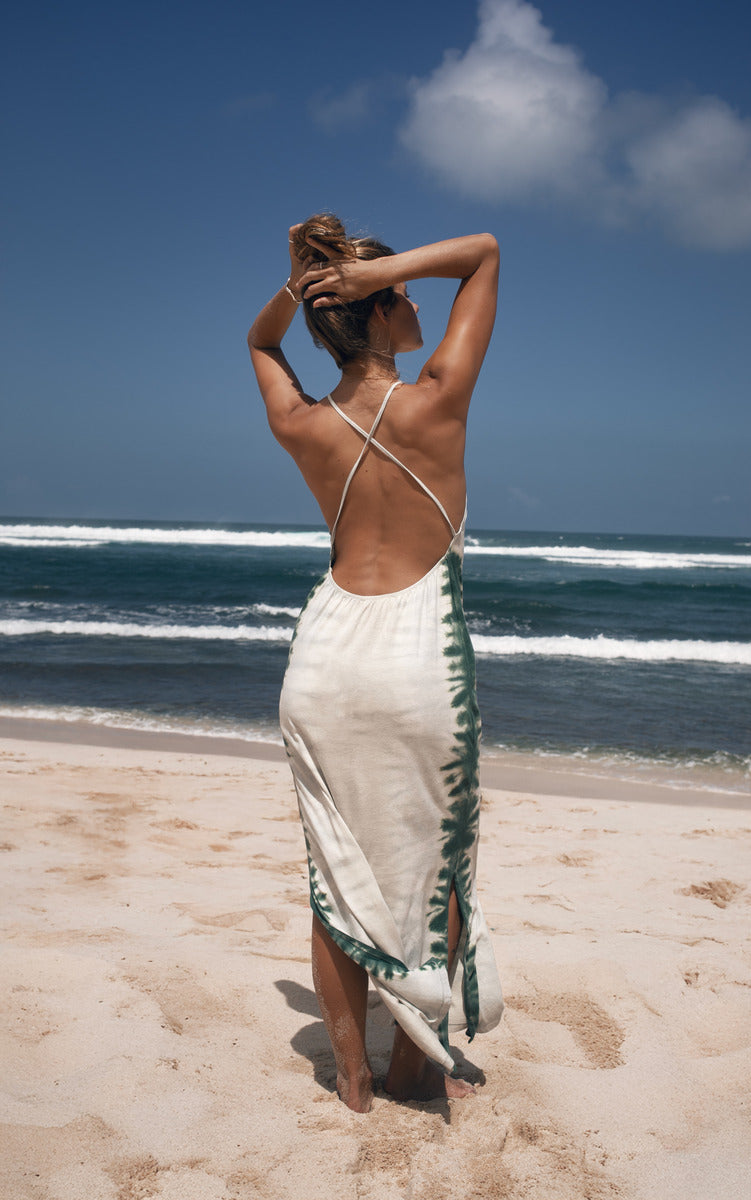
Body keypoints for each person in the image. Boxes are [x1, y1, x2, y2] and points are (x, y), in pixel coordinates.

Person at [247, 214, 503, 1112]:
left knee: (334, 874)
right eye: (402, 289)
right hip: (415, 657)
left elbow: (258, 338)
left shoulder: (302, 424)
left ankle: (352, 1082)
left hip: (325, 657)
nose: (414, 297)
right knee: (442, 865)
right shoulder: (437, 397)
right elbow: (484, 253)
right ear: (382, 304)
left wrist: (306, 288)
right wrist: (361, 272)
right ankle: (411, 1067)